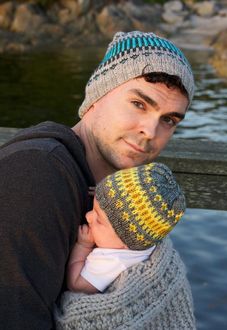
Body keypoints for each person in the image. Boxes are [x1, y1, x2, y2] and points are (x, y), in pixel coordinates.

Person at [0, 30, 195, 329]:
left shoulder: (121, 191)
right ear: (96, 96)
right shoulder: (35, 177)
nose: (151, 131)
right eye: (139, 104)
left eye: (168, 120)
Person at [67, 162, 186, 294]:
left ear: (126, 241)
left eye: (99, 220)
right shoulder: (143, 237)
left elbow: (76, 285)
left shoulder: (112, 262)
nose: (88, 216)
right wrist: (104, 195)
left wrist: (83, 246)